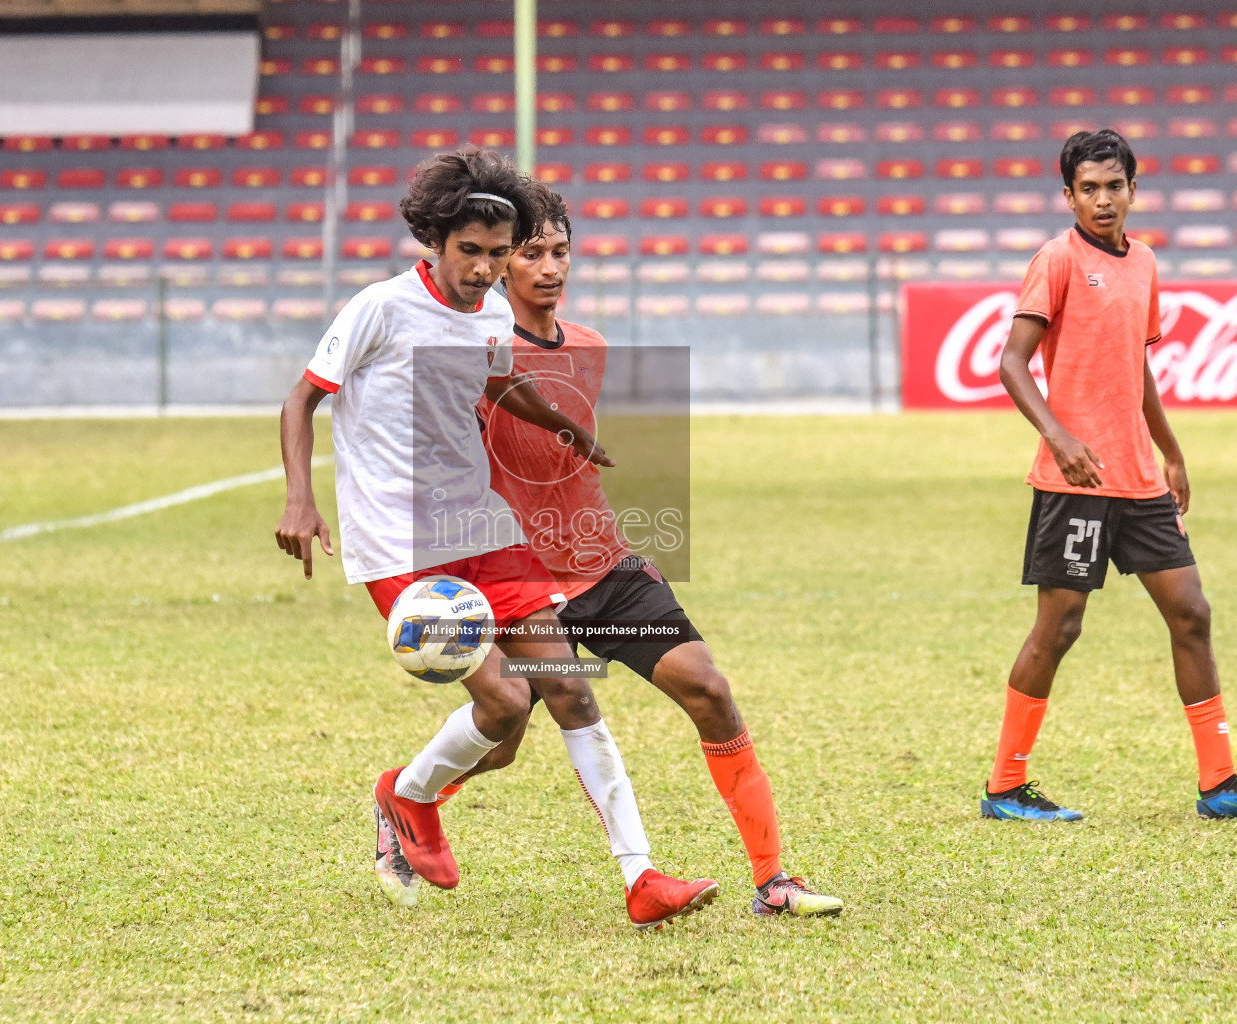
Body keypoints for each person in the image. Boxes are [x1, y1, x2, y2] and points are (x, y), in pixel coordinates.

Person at [275, 148, 718, 929]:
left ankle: (641, 877)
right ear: (435, 243)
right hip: (401, 545)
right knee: (506, 705)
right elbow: (301, 400)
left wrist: (560, 423)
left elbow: (491, 380)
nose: (485, 270)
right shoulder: (378, 308)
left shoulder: (488, 315)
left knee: (570, 686)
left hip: (484, 527)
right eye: (470, 252)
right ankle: (406, 796)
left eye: (497, 254)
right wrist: (301, 501)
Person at [381, 184, 843, 917]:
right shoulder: (471, 353)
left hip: (605, 567)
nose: (549, 267)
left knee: (711, 692)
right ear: (500, 265)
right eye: (530, 253)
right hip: (523, 582)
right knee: (502, 742)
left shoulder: (589, 347)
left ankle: (773, 882)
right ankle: (407, 798)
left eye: (559, 251)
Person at [982, 129, 1237, 822]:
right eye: (1089, 188)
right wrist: (1059, 437)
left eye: (1114, 186)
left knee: (1191, 612)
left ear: (1133, 190)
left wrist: (1172, 450)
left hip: (1139, 481)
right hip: (1075, 485)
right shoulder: (1057, 259)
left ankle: (1219, 783)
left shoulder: (1145, 262)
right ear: (1067, 195)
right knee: (1058, 631)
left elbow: (1139, 366)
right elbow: (1011, 362)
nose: (1103, 199)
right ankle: (1005, 788)